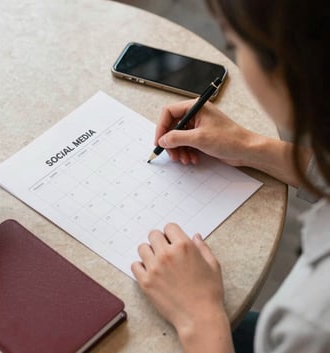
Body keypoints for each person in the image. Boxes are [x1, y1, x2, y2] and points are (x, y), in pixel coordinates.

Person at [131, 1, 329, 352]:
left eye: (235, 45)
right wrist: (250, 146)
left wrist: (200, 317)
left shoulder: (308, 321)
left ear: (284, 65)